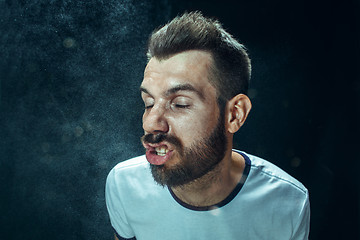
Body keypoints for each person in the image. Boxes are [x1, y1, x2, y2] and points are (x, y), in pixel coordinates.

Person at [105, 11, 310, 240]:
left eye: (180, 104)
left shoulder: (287, 203)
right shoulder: (124, 184)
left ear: (234, 115)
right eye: (148, 103)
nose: (151, 122)